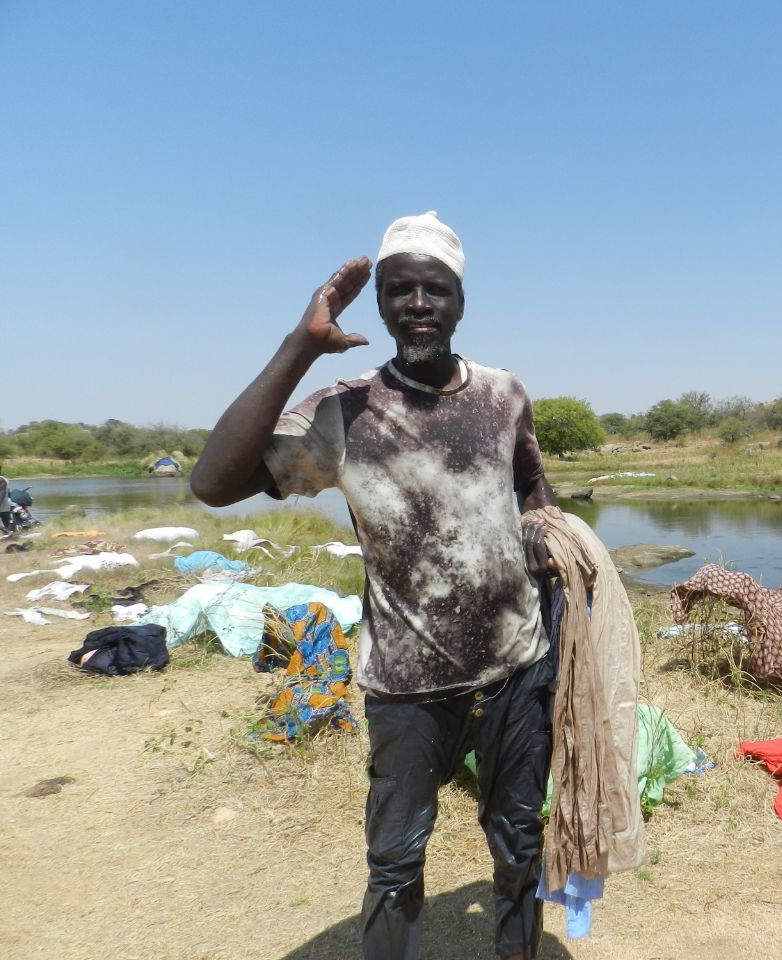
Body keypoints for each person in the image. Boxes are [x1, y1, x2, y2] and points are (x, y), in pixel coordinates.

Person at [191, 212, 557, 960]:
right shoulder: (344, 410)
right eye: (400, 290)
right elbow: (213, 483)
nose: (417, 304)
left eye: (435, 289)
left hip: (518, 669)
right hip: (406, 685)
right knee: (395, 861)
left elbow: (531, 485)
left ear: (459, 302)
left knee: (519, 842)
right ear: (382, 304)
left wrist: (552, 537)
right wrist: (299, 346)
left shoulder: (504, 393)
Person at [0, 464, 17, 535]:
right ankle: (11, 535)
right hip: (5, 504)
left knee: (6, 524)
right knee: (6, 522)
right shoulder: (0, 479)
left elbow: (2, 493)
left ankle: (6, 531)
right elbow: (8, 492)